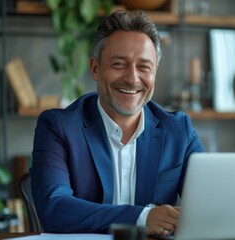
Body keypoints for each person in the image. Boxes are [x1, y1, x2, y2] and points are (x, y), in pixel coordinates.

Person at [30, 10, 205, 236]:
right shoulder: (58, 126)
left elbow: (210, 203)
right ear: (95, 68)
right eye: (119, 64)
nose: (132, 78)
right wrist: (143, 218)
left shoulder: (179, 131)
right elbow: (53, 209)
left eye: (144, 67)